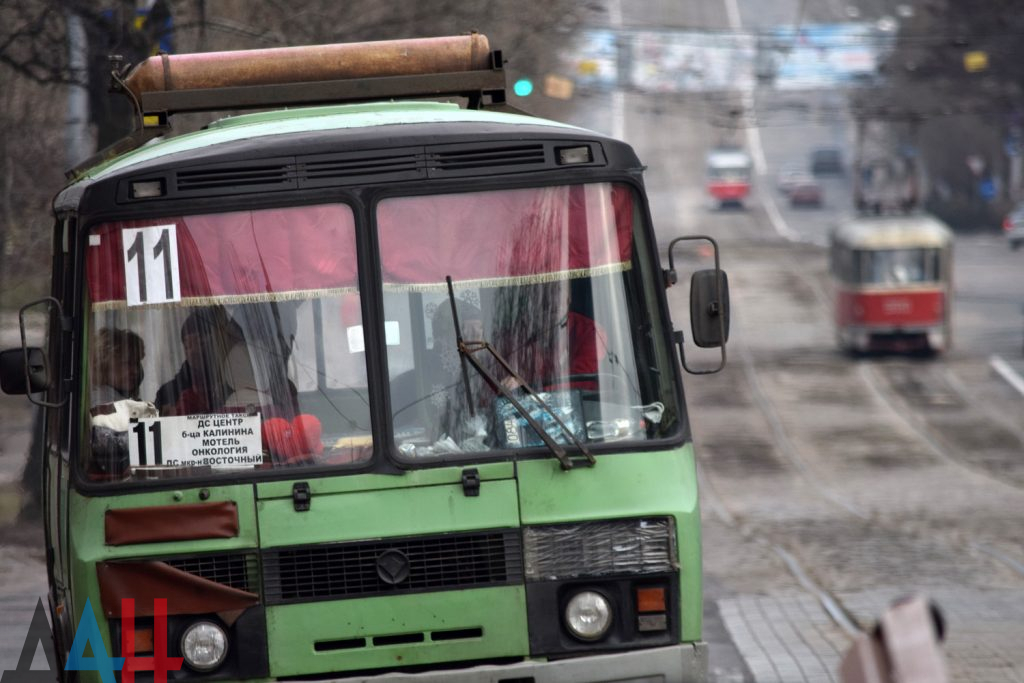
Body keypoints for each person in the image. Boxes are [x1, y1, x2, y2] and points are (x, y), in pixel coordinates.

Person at [157, 306, 263, 415]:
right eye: (188, 345)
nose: (194, 351)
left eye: (201, 343)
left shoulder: (242, 388)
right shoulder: (170, 393)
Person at [90, 327, 145, 406]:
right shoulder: (101, 401)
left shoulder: (121, 398)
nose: (136, 370)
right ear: (104, 366)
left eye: (137, 362)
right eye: (127, 363)